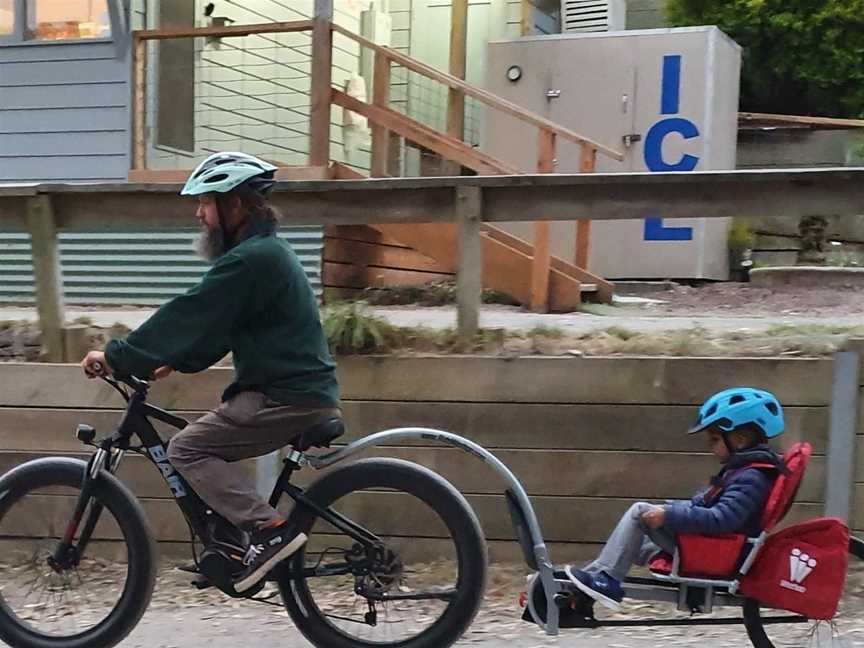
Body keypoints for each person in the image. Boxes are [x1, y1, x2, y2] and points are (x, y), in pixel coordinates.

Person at [81, 152, 340, 592]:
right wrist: (174, 360)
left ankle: (268, 530)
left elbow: (190, 312)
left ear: (235, 205)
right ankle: (234, 547)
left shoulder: (251, 259)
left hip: (284, 396)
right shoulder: (264, 254)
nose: (199, 213)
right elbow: (220, 327)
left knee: (187, 450)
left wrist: (120, 356)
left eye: (205, 202)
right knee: (206, 438)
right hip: (294, 390)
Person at [564, 387, 786, 611]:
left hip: (718, 553)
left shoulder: (751, 478)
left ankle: (604, 579)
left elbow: (721, 519)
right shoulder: (744, 472)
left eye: (714, 440)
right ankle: (591, 579)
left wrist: (670, 515)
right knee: (642, 524)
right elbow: (709, 507)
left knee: (639, 512)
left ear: (740, 439)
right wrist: (669, 509)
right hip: (716, 547)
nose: (710, 447)